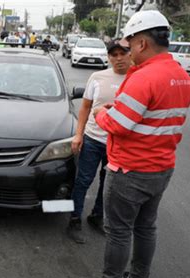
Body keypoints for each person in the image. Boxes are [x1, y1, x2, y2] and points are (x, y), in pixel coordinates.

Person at [77, 11, 190, 278]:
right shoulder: (181, 75)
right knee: (146, 228)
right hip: (162, 167)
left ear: (142, 43)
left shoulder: (143, 77)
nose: (127, 51)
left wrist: (103, 112)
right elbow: (152, 115)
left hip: (130, 170)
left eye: (129, 44)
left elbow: (116, 124)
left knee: (119, 232)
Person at [67, 39, 131, 244]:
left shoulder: (137, 78)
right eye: (114, 55)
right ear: (109, 57)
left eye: (123, 54)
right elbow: (85, 107)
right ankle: (74, 219)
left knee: (108, 184)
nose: (118, 58)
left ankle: (97, 216)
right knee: (83, 181)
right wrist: (79, 135)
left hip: (120, 143)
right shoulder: (97, 77)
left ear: (130, 54)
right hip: (94, 139)